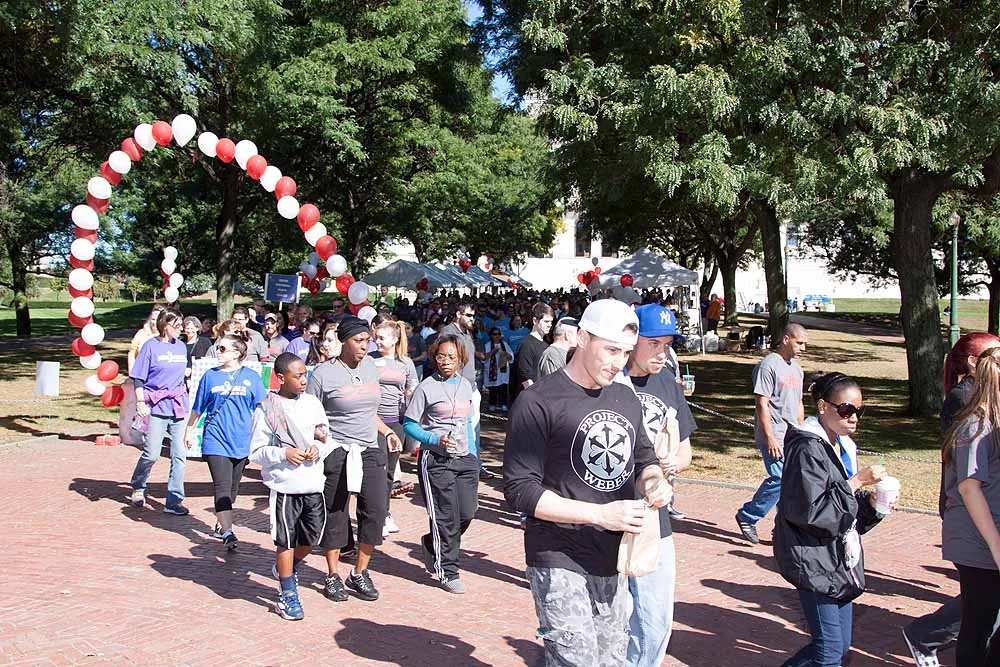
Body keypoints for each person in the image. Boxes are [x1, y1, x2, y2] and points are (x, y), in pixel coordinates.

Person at [503, 299, 672, 666]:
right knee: (576, 659)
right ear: (582, 338)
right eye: (611, 350)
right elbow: (520, 490)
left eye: (626, 352)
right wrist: (600, 515)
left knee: (611, 659)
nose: (619, 362)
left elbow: (644, 458)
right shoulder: (537, 401)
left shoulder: (625, 397)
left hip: (613, 556)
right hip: (557, 552)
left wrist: (653, 481)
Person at [774, 372, 889, 667]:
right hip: (812, 557)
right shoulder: (806, 448)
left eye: (859, 410)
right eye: (846, 409)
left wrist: (873, 505)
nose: (854, 418)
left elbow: (844, 514)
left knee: (838, 647)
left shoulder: (843, 446)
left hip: (838, 558)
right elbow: (811, 511)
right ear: (823, 406)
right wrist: (856, 482)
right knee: (829, 652)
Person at [904, 332, 1000, 666]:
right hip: (976, 531)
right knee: (980, 619)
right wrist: (996, 545)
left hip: (986, 527)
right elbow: (968, 485)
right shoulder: (970, 413)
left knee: (986, 618)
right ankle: (924, 634)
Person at [307, 316, 402, 603]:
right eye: (358, 341)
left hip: (370, 448)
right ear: (344, 341)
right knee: (336, 512)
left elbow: (369, 412)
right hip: (337, 449)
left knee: (375, 511)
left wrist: (387, 432)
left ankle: (359, 572)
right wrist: (319, 439)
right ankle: (332, 574)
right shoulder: (323, 374)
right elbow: (309, 415)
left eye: (367, 341)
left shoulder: (370, 367)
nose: (364, 346)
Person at [621, 304, 695, 667]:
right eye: (654, 343)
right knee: (614, 618)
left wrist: (668, 464)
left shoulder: (668, 383)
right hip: (612, 515)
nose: (662, 352)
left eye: (667, 345)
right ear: (632, 339)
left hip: (655, 518)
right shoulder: (609, 379)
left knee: (655, 622)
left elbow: (686, 453)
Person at [249, 353, 334, 621]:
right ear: (281, 378)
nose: (303, 380)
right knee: (285, 540)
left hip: (313, 483)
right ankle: (287, 593)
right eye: (297, 376)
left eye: (305, 374)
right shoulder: (267, 409)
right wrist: (283, 454)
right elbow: (256, 451)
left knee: (312, 537)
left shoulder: (312, 403)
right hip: (285, 486)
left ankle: (287, 566)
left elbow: (325, 436)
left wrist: (317, 448)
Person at [403, 334, 478, 593]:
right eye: (441, 356)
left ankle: (431, 543)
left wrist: (474, 455)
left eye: (451, 357)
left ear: (460, 359)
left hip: (465, 459)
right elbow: (409, 424)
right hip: (436, 459)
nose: (445, 361)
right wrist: (434, 439)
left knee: (466, 513)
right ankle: (448, 571)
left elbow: (468, 423)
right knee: (445, 517)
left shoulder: (466, 385)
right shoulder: (427, 387)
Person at [941, 347, 1000, 667]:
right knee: (978, 626)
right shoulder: (975, 426)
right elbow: (969, 487)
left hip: (989, 537)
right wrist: (995, 545)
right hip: (979, 541)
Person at [184, 332, 267, 549]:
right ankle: (228, 532)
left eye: (222, 348)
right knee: (221, 485)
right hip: (215, 438)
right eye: (217, 347)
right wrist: (189, 431)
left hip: (241, 440)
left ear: (237, 353)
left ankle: (221, 522)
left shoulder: (251, 377)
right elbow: (198, 407)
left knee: (233, 487)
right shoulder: (210, 376)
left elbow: (262, 408)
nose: (217, 352)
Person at [735, 323, 808, 544]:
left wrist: (802, 431)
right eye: (799, 343)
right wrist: (769, 437)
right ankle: (748, 515)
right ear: (786, 339)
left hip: (792, 435)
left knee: (790, 484)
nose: (803, 348)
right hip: (774, 434)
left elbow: (799, 402)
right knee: (780, 478)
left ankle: (783, 529)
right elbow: (762, 403)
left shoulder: (797, 369)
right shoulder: (768, 366)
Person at [128, 308, 191, 514]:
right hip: (156, 405)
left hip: (178, 405)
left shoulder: (181, 347)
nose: (181, 329)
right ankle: (138, 485)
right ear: (165, 325)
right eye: (177, 325)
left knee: (179, 455)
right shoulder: (150, 346)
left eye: (182, 325)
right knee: (152, 453)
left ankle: (174, 501)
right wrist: (140, 401)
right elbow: (139, 377)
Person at [371, 320, 418, 536]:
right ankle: (376, 516)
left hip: (396, 421)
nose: (377, 342)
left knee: (390, 471)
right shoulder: (369, 360)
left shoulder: (405, 363)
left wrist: (409, 402)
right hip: (373, 422)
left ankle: (385, 512)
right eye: (376, 338)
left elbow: (413, 388)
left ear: (394, 339)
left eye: (382, 338)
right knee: (376, 470)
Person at [439, 301, 490, 478]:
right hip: (455, 388)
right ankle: (455, 467)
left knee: (473, 430)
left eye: (473, 316)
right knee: (455, 429)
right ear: (458, 314)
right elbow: (443, 361)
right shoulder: (448, 332)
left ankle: (475, 465)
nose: (472, 319)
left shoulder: (467, 333)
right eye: (468, 315)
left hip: (472, 388)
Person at [510, 302, 554, 404]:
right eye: (546, 321)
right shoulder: (526, 345)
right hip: (530, 401)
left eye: (551, 322)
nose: (549, 325)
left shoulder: (546, 345)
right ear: (535, 321)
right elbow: (525, 377)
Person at [128, 303, 166, 372]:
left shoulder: (167, 336)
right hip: (141, 372)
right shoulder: (141, 333)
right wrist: (131, 372)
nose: (154, 323)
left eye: (157, 320)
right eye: (153, 319)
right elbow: (132, 353)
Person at [483, 327, 514, 412]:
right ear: (491, 335)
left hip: (502, 370)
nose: (497, 336)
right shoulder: (487, 345)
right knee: (493, 388)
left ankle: (503, 404)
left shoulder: (505, 344)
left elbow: (511, 357)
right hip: (492, 370)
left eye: (498, 334)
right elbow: (484, 358)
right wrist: (494, 350)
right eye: (495, 334)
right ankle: (492, 404)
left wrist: (505, 354)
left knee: (503, 387)